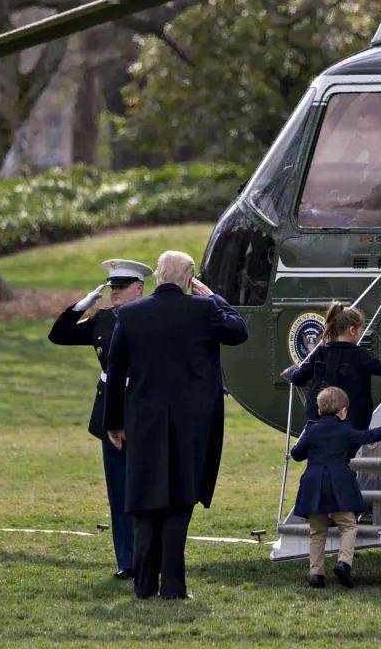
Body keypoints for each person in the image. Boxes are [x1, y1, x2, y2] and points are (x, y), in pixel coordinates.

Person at [103, 250, 248, 600]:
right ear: (189, 279)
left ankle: (143, 585)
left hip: (144, 421)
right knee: (179, 502)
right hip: (191, 424)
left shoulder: (131, 313)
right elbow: (239, 330)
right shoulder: (205, 310)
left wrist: (114, 422)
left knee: (144, 502)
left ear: (156, 276)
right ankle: (173, 587)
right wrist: (211, 295)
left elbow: (115, 371)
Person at [48, 258, 152, 581]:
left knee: (147, 490)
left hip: (144, 409)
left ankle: (149, 557)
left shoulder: (153, 317)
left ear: (140, 287)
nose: (116, 293)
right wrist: (83, 305)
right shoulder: (103, 319)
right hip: (110, 412)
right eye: (113, 288)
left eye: (122, 288)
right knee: (118, 491)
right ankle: (127, 560)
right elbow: (59, 335)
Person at [290, 386, 381, 588]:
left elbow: (297, 454)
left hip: (313, 483)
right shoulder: (345, 429)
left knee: (317, 531)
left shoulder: (311, 429)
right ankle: (343, 563)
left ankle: (316, 574)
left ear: (318, 410)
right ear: (343, 411)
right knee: (348, 525)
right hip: (339, 484)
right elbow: (367, 437)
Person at [284, 302, 381, 431]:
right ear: (352, 330)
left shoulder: (321, 352)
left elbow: (299, 378)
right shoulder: (359, 354)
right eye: (361, 331)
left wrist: (291, 371)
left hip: (318, 418)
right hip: (350, 420)